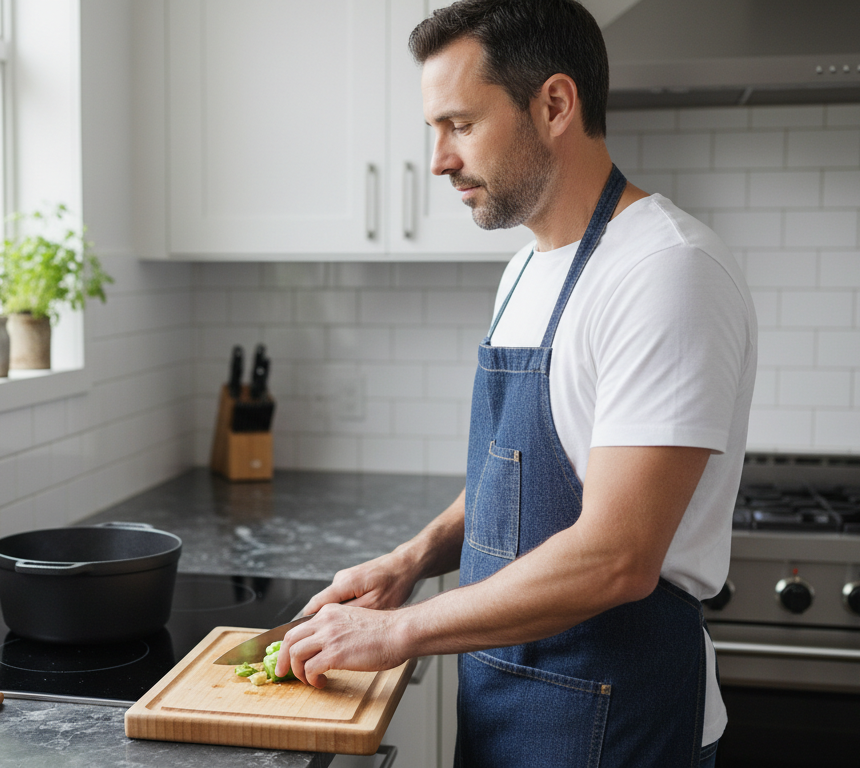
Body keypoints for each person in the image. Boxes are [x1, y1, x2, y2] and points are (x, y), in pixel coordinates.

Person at [270, 1, 756, 766]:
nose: (439, 160)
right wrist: (412, 559)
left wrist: (398, 631)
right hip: (505, 705)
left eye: (460, 125)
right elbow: (520, 477)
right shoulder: (526, 269)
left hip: (617, 719)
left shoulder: (667, 270)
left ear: (555, 104)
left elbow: (617, 556)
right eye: (435, 129)